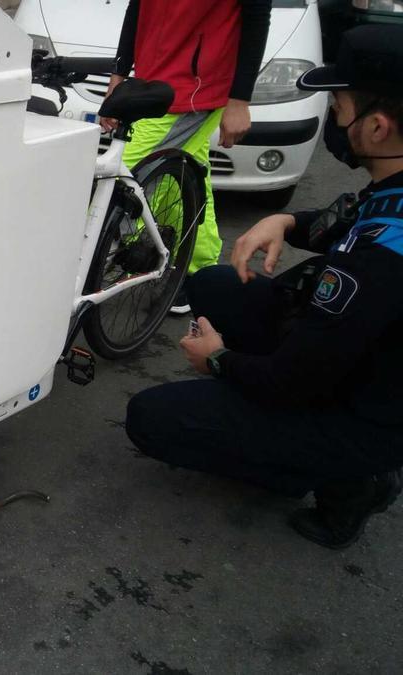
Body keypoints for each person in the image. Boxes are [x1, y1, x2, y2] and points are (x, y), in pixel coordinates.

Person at [124, 25, 403, 550]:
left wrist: (219, 361)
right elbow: (358, 218)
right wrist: (289, 221)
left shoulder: (379, 267)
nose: (335, 122)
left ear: (379, 127)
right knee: (216, 284)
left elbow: (293, 379)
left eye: (340, 108)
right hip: (354, 359)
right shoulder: (395, 187)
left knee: (152, 419)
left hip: (362, 413)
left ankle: (340, 480)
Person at [102, 0, 272, 315]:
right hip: (154, 82)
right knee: (190, 176)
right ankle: (199, 274)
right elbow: (137, 7)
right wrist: (120, 72)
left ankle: (85, 268)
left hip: (195, 90)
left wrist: (239, 100)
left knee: (120, 178)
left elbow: (257, 15)